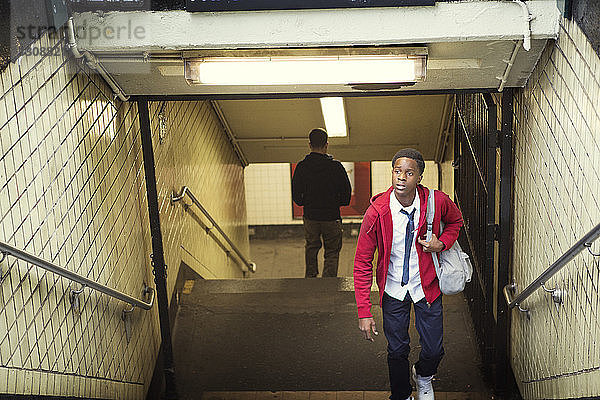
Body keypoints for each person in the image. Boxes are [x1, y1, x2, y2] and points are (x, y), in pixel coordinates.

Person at [353, 149, 463, 400]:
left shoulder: (437, 201)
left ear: (419, 177)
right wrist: (364, 311)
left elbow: (456, 222)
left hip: (426, 286)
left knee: (434, 349)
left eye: (409, 172)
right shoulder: (377, 212)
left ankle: (423, 375)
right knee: (397, 350)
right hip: (393, 289)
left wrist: (441, 243)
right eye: (397, 171)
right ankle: (402, 395)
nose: (401, 177)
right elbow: (362, 262)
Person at [292, 128, 352, 278]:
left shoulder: (302, 167)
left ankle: (311, 278)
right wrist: (335, 203)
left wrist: (306, 202)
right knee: (332, 251)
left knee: (311, 247)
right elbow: (346, 194)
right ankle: (328, 282)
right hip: (331, 217)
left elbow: (296, 196)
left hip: (311, 216)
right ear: (326, 145)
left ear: (309, 145)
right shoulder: (336, 167)